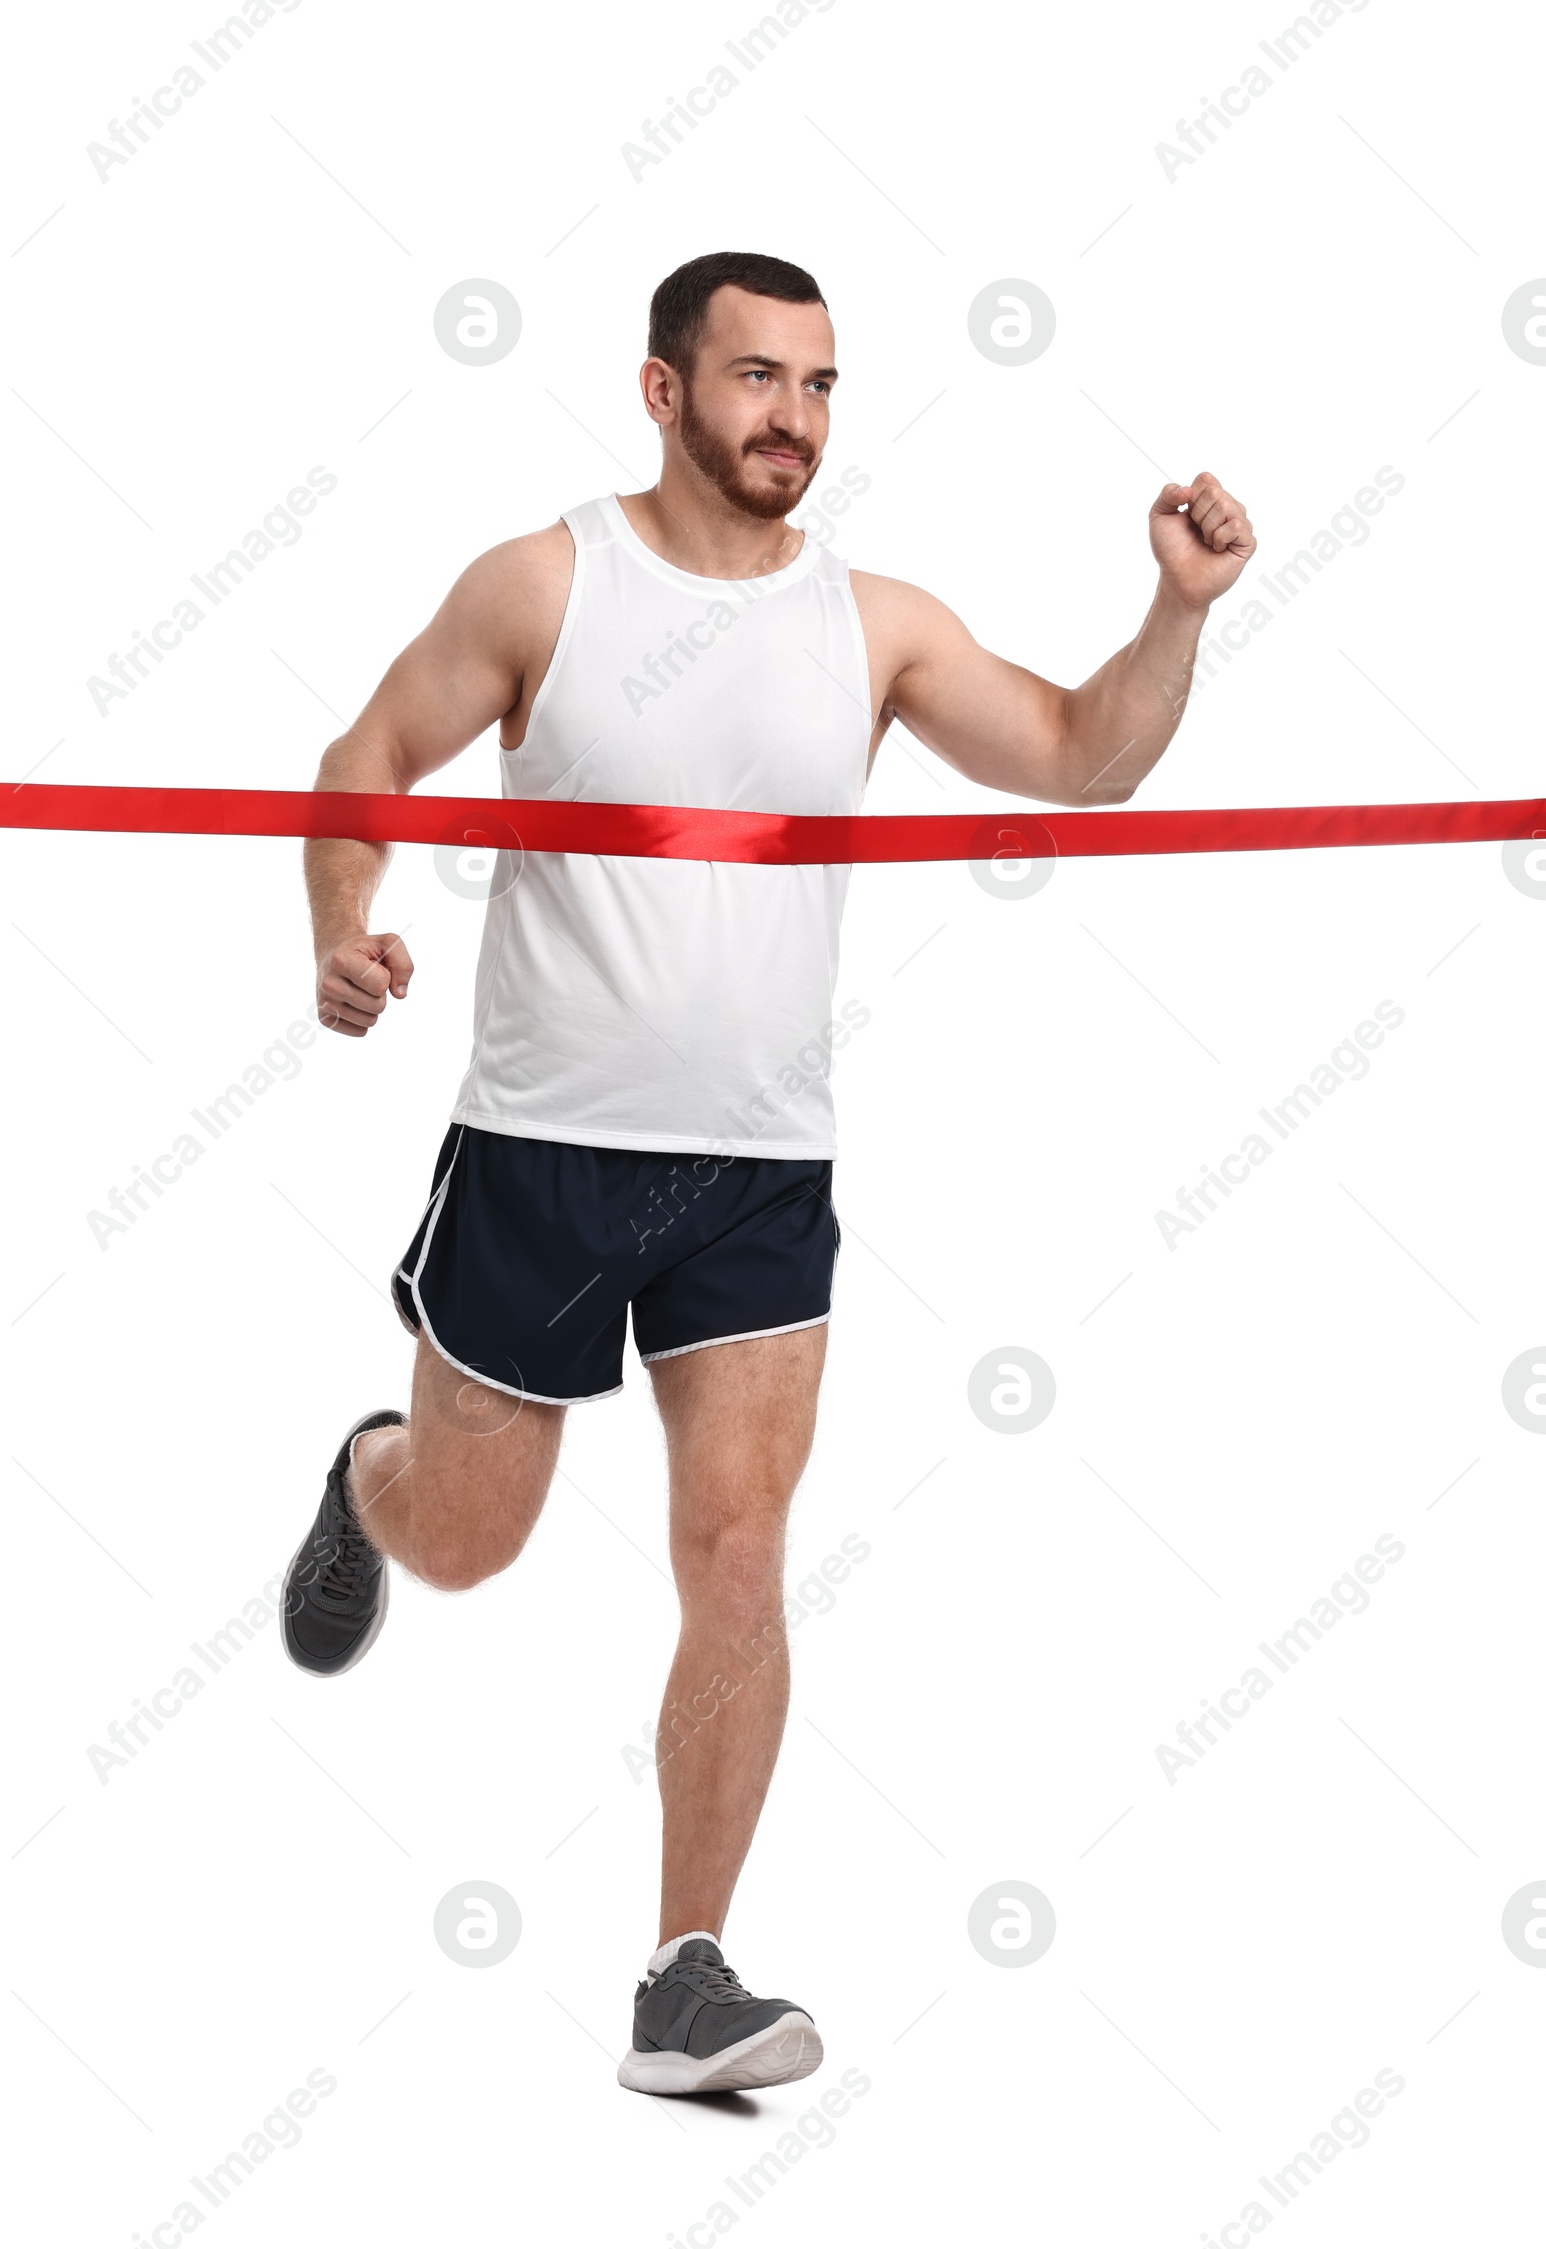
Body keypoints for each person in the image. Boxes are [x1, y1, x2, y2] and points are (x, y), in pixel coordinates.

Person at [281, 249, 1257, 2096]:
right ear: (663, 392)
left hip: (756, 1171)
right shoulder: (544, 584)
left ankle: (683, 1975)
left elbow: (1080, 755)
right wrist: (346, 922)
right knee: (474, 1542)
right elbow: (370, 757)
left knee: (737, 1555)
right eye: (753, 379)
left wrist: (1176, 609)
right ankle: (364, 1475)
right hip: (545, 1151)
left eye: (816, 384)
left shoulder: (872, 624)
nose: (788, 418)